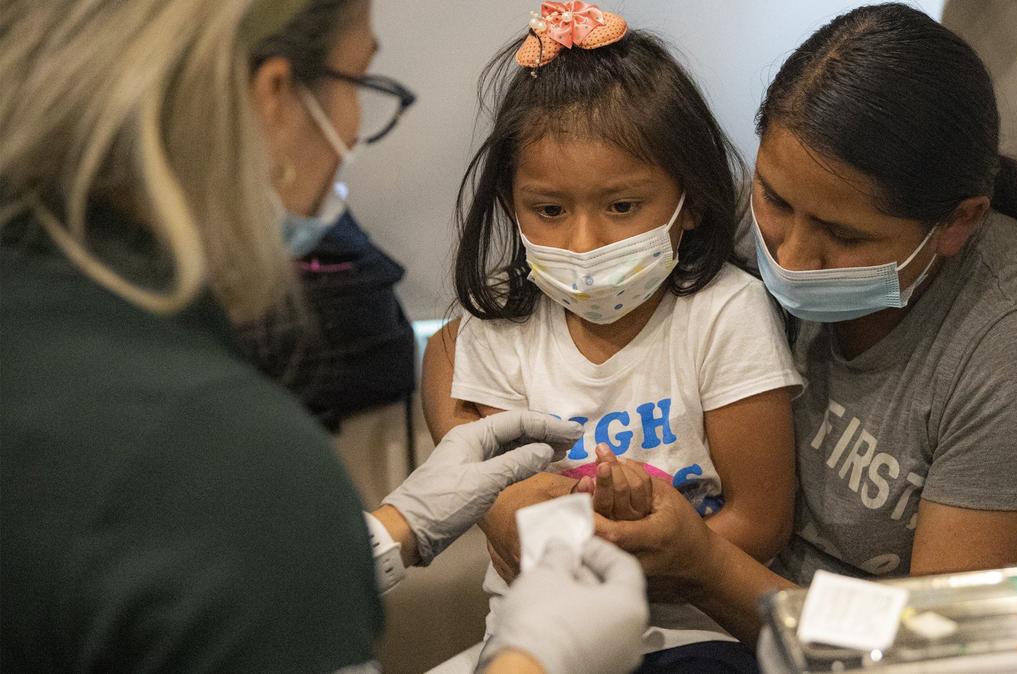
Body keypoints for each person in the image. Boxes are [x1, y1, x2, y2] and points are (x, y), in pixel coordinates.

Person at [0, 2, 647, 673]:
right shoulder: (220, 449)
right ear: (274, 98)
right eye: (359, 81)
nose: (353, 125)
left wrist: (396, 529)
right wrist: (534, 661)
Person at [512, 0, 1017, 649]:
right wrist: (487, 489)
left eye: (844, 235)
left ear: (958, 222)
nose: (791, 257)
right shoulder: (746, 231)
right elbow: (489, 329)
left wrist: (705, 566)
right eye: (773, 198)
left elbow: (935, 644)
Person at [420, 4, 802, 668]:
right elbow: (509, 518)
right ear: (511, 204)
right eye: (549, 209)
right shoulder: (496, 332)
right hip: (533, 638)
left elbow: (762, 519)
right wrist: (518, 517)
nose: (585, 242)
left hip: (692, 636)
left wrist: (649, 551)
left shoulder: (726, 314)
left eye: (623, 207)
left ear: (692, 201)